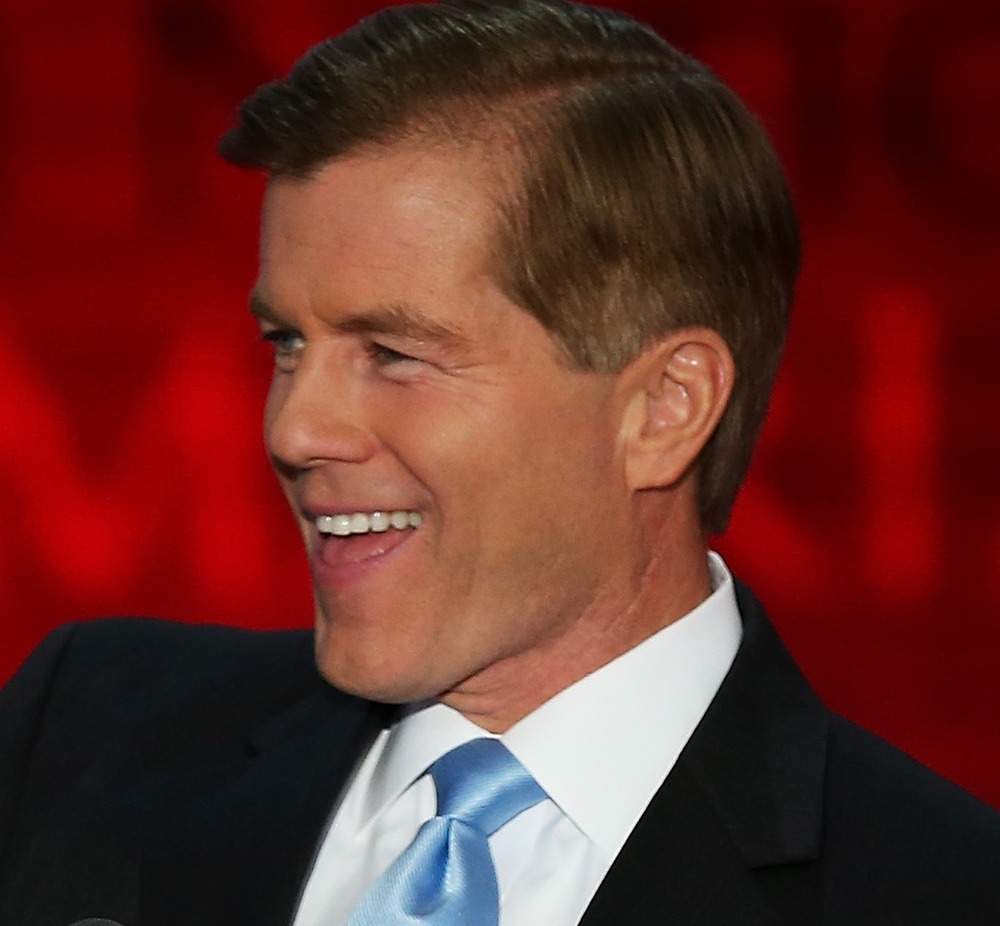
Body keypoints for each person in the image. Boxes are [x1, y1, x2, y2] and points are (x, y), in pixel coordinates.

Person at [1, 2, 998, 924]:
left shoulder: (934, 886)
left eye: (392, 354)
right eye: (286, 344)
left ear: (663, 406)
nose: (294, 429)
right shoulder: (86, 728)